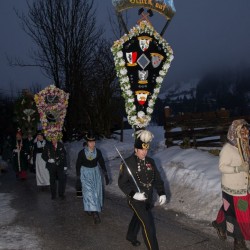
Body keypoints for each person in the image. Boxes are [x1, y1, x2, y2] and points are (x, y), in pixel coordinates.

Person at [118, 129, 167, 250]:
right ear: (136, 149)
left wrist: (161, 192)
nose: (144, 152)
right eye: (142, 150)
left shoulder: (151, 162)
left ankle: (130, 236)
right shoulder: (128, 163)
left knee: (138, 216)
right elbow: (122, 183)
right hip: (135, 200)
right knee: (148, 225)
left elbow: (157, 179)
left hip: (148, 199)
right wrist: (134, 194)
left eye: (146, 149)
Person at [212, 119, 250, 250]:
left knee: (230, 209)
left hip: (244, 187)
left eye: (246, 132)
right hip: (233, 189)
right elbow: (222, 167)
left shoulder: (244, 147)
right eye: (242, 132)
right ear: (235, 132)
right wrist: (238, 169)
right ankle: (238, 242)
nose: (245, 135)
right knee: (240, 214)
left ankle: (219, 223)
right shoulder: (227, 149)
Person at [76, 131, 110, 224]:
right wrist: (78, 177)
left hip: (95, 173)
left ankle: (88, 207)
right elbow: (78, 164)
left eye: (93, 142)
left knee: (95, 192)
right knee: (89, 192)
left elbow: (102, 162)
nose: (92, 143)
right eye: (90, 142)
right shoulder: (82, 153)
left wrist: (106, 174)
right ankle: (95, 214)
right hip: (85, 173)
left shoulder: (98, 152)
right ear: (87, 143)